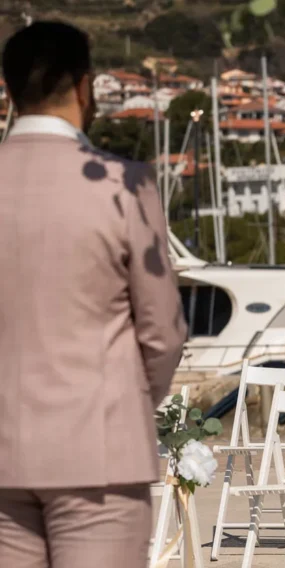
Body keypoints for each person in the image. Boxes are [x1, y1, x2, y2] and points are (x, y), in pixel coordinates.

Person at [0, 21, 187, 567]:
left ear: (9, 90)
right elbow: (163, 333)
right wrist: (128, 406)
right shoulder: (123, 184)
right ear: (85, 88)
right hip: (99, 450)